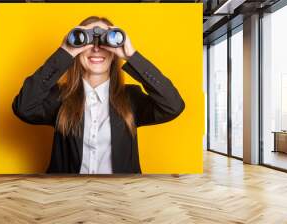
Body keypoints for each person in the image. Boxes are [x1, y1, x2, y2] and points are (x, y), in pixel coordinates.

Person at [12, 16, 185, 174]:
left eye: (104, 41)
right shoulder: (60, 97)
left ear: (114, 50)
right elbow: (23, 107)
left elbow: (173, 106)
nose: (96, 48)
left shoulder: (130, 98)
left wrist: (131, 56)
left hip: (120, 197)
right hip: (66, 197)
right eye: (87, 41)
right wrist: (65, 52)